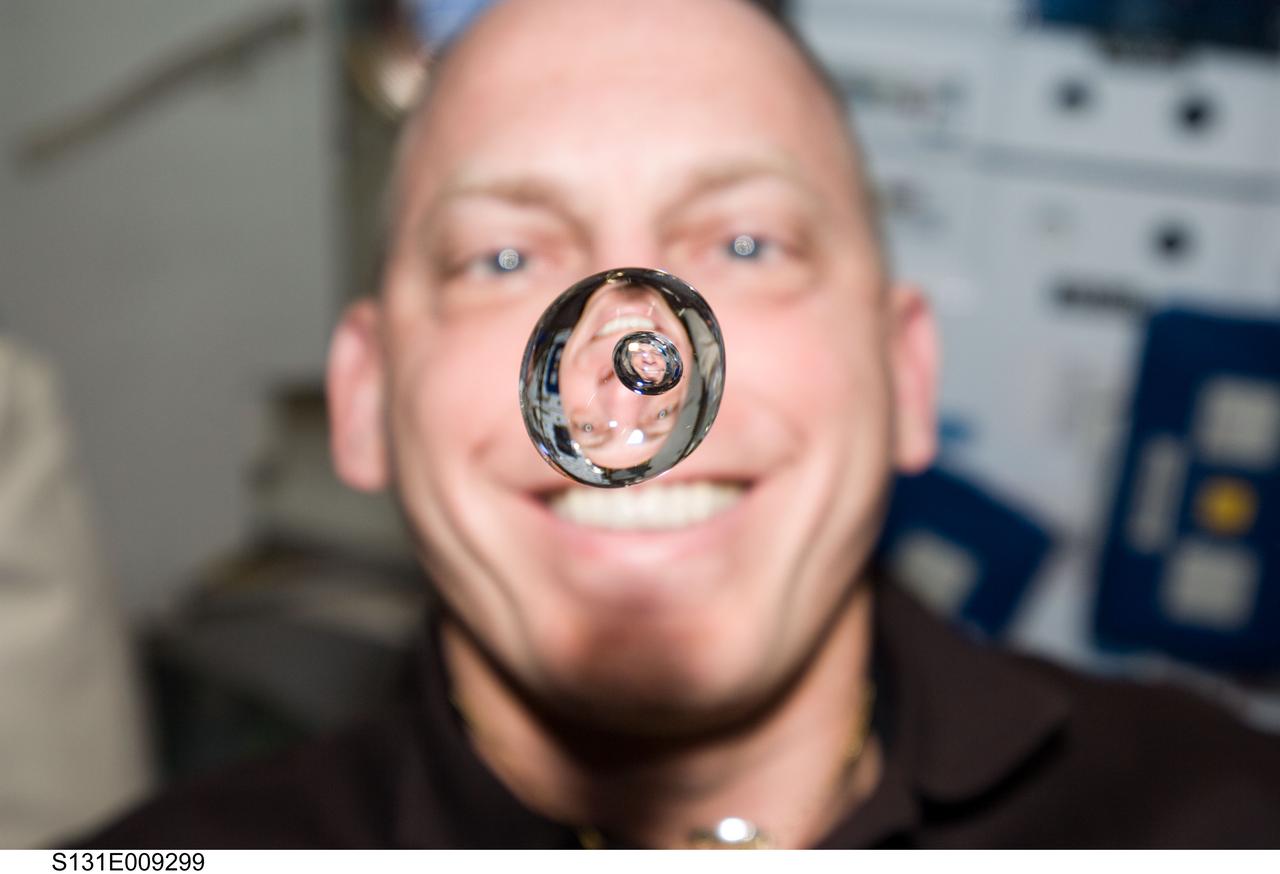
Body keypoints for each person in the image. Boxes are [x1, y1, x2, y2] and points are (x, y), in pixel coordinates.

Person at [88, 0, 1280, 848]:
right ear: (363, 399)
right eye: (505, 255)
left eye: (743, 244)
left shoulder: (1226, 812)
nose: (628, 371)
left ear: (904, 371)